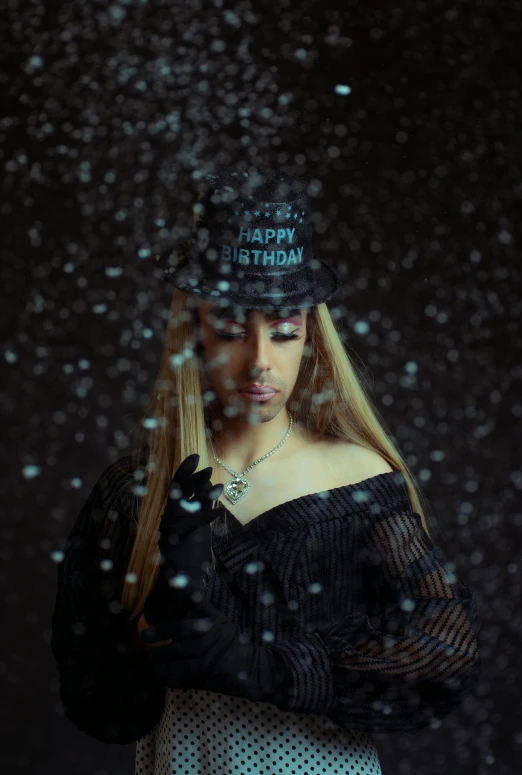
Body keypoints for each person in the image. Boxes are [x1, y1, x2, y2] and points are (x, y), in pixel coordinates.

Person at [51, 168, 480, 774]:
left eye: (284, 332)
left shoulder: (357, 483)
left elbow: (444, 651)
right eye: (230, 329)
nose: (259, 360)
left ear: (310, 336)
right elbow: (93, 692)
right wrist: (154, 638)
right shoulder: (138, 492)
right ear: (193, 333)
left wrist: (252, 660)